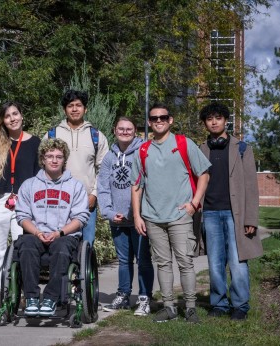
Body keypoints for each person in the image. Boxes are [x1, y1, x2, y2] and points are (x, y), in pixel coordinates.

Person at [130, 103, 211, 323]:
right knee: (163, 264)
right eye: (154, 118)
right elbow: (136, 186)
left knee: (185, 262)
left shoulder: (184, 143)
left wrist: (194, 204)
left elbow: (203, 174)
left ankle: (191, 308)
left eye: (163, 117)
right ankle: (169, 307)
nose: (159, 121)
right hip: (153, 218)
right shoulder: (143, 150)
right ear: (149, 122)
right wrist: (137, 216)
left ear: (170, 120)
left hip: (180, 216)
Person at [198, 102, 263, 320]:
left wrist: (250, 217)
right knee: (215, 262)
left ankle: (240, 306)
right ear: (205, 123)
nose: (214, 122)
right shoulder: (201, 150)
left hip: (236, 215)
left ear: (226, 120)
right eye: (209, 119)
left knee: (238, 262)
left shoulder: (243, 149)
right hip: (210, 214)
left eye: (218, 118)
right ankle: (219, 304)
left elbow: (252, 187)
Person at [15, 138, 90, 317]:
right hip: (36, 234)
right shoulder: (29, 185)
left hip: (64, 235)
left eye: (59, 156)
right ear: (43, 159)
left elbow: (81, 217)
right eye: (50, 156)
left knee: (61, 248)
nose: (54, 160)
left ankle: (50, 298)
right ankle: (32, 297)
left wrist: (60, 232)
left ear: (65, 160)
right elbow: (22, 216)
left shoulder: (75, 186)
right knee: (25, 245)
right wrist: (37, 232)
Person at [0, 102, 41, 312]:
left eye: (15, 114)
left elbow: (39, 176)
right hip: (0, 201)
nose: (12, 118)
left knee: (23, 246)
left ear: (22, 116)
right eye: (7, 116)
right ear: (2, 121)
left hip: (25, 202)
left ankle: (23, 291)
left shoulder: (35, 143)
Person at [98, 117, 154, 316]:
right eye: (121, 128)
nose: (124, 131)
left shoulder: (143, 152)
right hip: (118, 219)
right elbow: (103, 187)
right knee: (123, 261)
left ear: (135, 131)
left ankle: (145, 297)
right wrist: (109, 212)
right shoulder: (109, 157)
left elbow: (149, 184)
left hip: (140, 219)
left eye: (129, 129)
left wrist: (140, 213)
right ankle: (123, 295)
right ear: (115, 130)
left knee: (143, 260)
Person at [43, 89, 108, 246]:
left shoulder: (96, 136)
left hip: (86, 202)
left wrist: (94, 194)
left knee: (87, 245)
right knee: (60, 246)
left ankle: (82, 272)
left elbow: (104, 170)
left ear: (85, 109)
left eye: (78, 105)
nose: (74, 109)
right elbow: (43, 167)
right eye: (70, 105)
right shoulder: (52, 135)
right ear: (65, 109)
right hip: (57, 202)